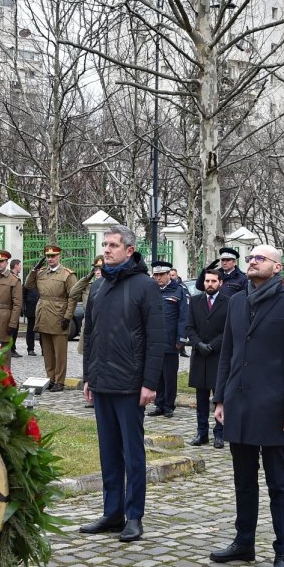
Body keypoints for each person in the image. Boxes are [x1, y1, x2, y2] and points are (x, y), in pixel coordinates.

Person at [209, 245, 284, 567]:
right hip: (238, 405)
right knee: (243, 482)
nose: (253, 261)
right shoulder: (237, 302)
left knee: (279, 485)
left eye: (260, 258)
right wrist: (220, 399)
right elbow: (228, 352)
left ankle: (283, 551)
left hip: (275, 410)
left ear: (277, 266)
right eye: (250, 257)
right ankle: (244, 542)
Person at [79, 225, 164, 543]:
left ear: (129, 250)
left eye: (113, 245)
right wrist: (89, 376)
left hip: (131, 385)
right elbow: (91, 334)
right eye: (104, 244)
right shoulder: (99, 287)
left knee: (132, 453)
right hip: (102, 383)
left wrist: (149, 383)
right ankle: (112, 512)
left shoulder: (145, 286)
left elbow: (156, 338)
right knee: (108, 453)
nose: (106, 249)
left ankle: (134, 516)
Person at [187, 270, 230, 448]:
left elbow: (228, 329)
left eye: (213, 281)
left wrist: (212, 345)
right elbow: (189, 327)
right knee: (201, 399)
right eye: (207, 281)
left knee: (219, 396)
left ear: (220, 282)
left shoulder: (228, 302)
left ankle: (219, 434)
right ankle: (201, 432)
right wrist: (198, 344)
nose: (209, 284)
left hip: (217, 356)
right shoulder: (195, 301)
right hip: (199, 356)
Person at [26, 245, 78, 392]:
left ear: (59, 256)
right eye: (48, 257)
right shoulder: (41, 273)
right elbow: (28, 285)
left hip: (59, 314)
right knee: (47, 351)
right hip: (44, 313)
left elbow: (73, 297)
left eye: (53, 256)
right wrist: (34, 270)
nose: (50, 259)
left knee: (59, 352)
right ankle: (50, 379)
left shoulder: (67, 274)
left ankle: (60, 381)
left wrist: (67, 317)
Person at [148, 260, 190, 418]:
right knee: (156, 374)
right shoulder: (151, 290)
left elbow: (184, 316)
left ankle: (168, 405)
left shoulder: (179, 291)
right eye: (156, 275)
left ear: (168, 275)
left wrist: (181, 337)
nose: (158, 278)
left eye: (161, 275)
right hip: (154, 340)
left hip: (171, 340)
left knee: (169, 375)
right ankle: (159, 403)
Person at [68, 255, 103, 357]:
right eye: (95, 269)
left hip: (103, 326)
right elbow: (72, 293)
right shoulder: (88, 286)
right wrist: (88, 277)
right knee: (87, 358)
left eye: (100, 269)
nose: (97, 271)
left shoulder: (112, 286)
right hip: (88, 326)